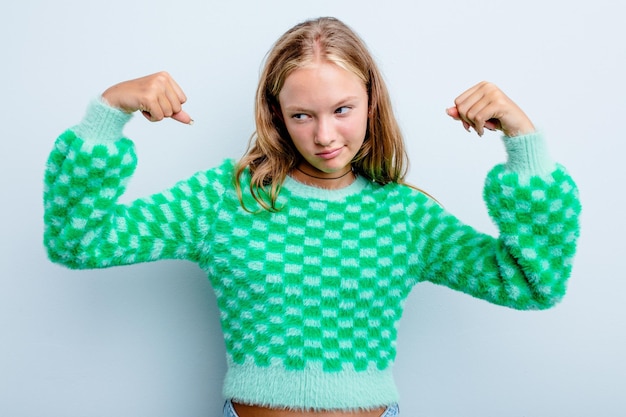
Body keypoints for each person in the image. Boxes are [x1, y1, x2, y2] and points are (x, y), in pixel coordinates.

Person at [43, 16, 580, 417]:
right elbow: (80, 242)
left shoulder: (407, 217)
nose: (324, 136)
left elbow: (532, 285)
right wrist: (108, 113)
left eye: (342, 110)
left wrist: (523, 142)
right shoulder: (225, 199)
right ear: (277, 115)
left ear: (372, 103)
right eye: (303, 115)